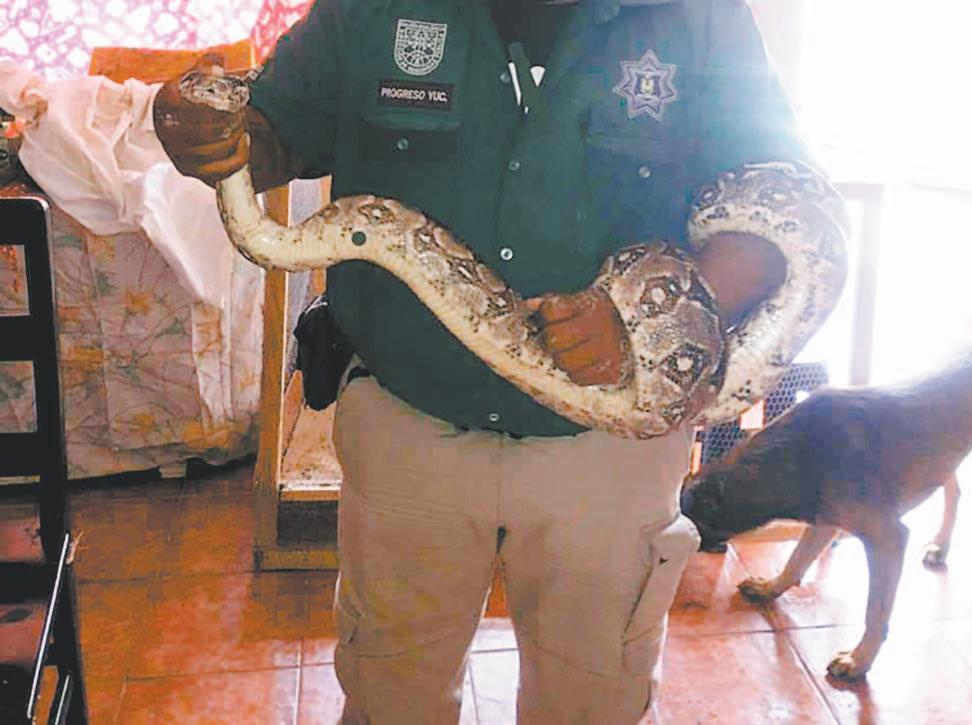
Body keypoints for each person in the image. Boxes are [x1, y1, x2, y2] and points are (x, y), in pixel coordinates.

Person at [154, 1, 843, 721]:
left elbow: (785, 204)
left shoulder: (699, 16)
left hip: (608, 451)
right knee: (391, 692)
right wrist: (206, 132)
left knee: (591, 700)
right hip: (408, 424)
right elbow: (271, 129)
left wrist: (645, 318)